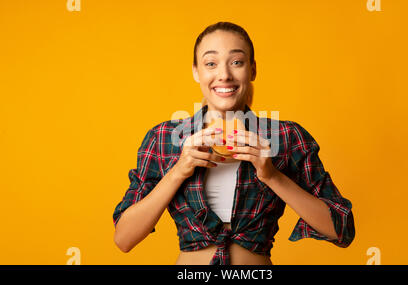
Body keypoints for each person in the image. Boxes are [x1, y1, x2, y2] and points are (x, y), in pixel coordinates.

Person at [112, 22, 355, 265]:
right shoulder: (164, 137)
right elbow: (124, 239)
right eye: (210, 64)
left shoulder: (286, 136)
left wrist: (272, 175)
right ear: (196, 72)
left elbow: (341, 229)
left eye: (236, 62)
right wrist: (178, 171)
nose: (224, 74)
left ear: (253, 70)